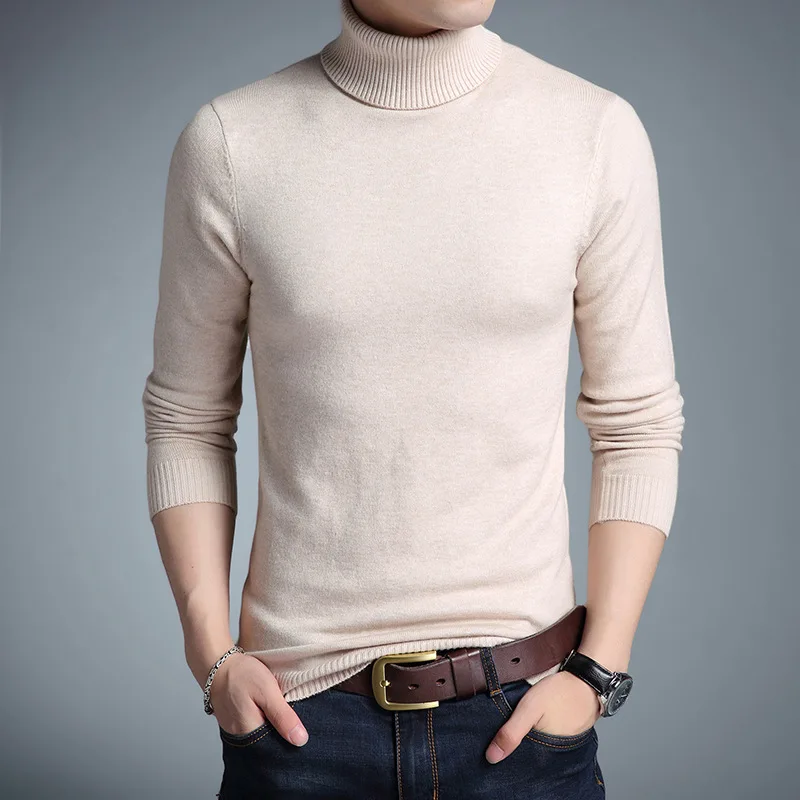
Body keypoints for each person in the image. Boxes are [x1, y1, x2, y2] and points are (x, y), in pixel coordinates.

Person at [141, 0, 685, 796]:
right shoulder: (233, 142)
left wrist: (597, 673)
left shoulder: (592, 133)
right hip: (301, 726)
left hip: (523, 719)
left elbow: (637, 423)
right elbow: (187, 418)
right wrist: (212, 657)